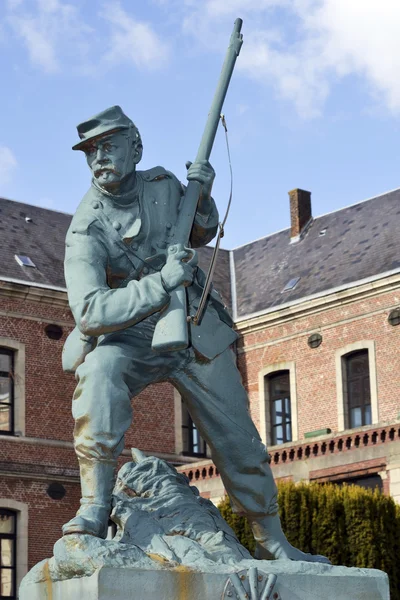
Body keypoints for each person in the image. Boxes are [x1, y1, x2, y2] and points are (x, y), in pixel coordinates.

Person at [62, 105, 328, 563]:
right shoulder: (87, 226)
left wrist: (200, 197)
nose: (99, 158)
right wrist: (160, 282)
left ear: (136, 148)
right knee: (100, 372)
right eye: (91, 152)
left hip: (194, 324)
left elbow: (200, 231)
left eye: (108, 147)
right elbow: (89, 311)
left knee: (239, 437)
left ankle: (273, 541)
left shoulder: (164, 185)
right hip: (132, 330)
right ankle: (94, 506)